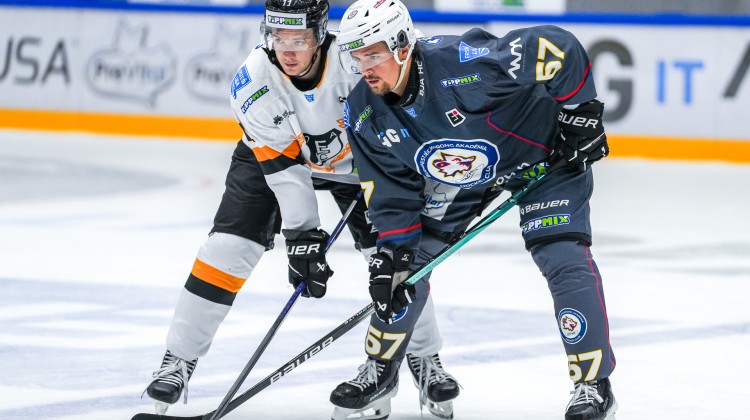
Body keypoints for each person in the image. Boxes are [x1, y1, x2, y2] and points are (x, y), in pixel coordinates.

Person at [142, 0, 455, 415]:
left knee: (395, 259)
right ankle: (177, 360)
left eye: (299, 40)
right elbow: (284, 170)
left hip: (361, 163)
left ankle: (423, 355)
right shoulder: (253, 82)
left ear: (320, 35)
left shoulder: (354, 61)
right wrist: (302, 234)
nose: (287, 52)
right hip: (277, 157)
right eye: (278, 38)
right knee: (227, 248)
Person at [332, 0, 617, 419]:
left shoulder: (463, 63)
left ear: (402, 46)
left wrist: (581, 112)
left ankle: (592, 384)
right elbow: (391, 194)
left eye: (372, 55)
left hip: (544, 161)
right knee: (403, 269)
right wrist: (393, 251)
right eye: (356, 57)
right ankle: (380, 368)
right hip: (462, 176)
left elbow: (556, 46)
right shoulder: (363, 112)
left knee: (562, 257)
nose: (364, 68)